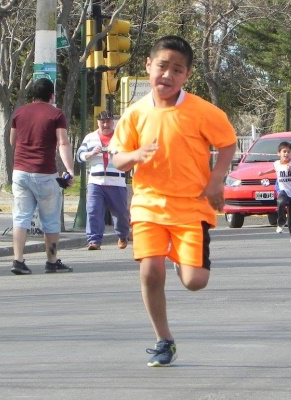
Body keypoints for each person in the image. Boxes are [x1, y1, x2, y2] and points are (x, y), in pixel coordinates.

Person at [110, 35, 237, 367]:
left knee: (195, 282)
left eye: (177, 70)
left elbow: (227, 144)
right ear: (148, 66)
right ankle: (163, 339)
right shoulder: (135, 114)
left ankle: (182, 256)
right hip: (148, 204)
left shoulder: (202, 111)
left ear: (187, 75)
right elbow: (118, 160)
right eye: (162, 66)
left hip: (192, 205)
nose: (167, 75)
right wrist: (136, 154)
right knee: (151, 271)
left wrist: (216, 180)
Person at [9, 78, 75, 275]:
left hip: (20, 172)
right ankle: (51, 261)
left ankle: (18, 261)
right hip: (44, 173)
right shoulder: (56, 114)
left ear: (33, 94)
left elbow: (13, 140)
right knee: (51, 220)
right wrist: (69, 170)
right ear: (52, 95)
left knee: (20, 217)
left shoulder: (19, 112)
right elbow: (62, 143)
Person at [76, 110, 130, 250]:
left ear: (113, 122)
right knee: (93, 210)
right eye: (102, 122)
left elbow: (130, 153)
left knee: (120, 213)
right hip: (96, 181)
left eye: (108, 121)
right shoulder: (90, 137)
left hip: (116, 181)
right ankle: (94, 240)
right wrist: (90, 153)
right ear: (98, 123)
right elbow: (79, 155)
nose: (105, 124)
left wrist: (118, 154)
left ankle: (122, 235)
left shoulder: (121, 137)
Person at [258, 141, 291, 244]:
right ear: (279, 153)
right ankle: (281, 223)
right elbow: (274, 169)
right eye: (284, 151)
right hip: (283, 190)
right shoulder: (276, 164)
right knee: (280, 202)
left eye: (288, 152)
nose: (286, 154)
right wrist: (263, 173)